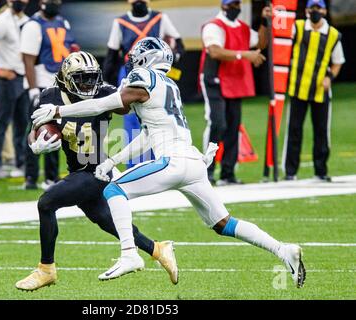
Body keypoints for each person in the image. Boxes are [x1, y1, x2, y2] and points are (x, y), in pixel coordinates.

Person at [32, 37, 306, 288]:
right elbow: (147, 136)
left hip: (172, 162)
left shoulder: (143, 77)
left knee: (113, 190)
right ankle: (282, 249)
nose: (133, 60)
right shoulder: (169, 85)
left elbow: (102, 104)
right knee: (223, 223)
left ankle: (130, 254)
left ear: (148, 59)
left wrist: (58, 110)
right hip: (194, 164)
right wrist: (113, 160)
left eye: (139, 55)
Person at [16, 51, 177, 291]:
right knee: (106, 221)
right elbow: (35, 128)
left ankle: (46, 269)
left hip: (98, 171)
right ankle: (157, 249)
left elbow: (126, 106)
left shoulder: (105, 92)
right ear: (66, 77)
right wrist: (36, 142)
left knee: (46, 203)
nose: (88, 84)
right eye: (82, 78)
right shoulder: (49, 96)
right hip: (79, 170)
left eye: (92, 78)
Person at [103, 0, 184, 168]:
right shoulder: (120, 22)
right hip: (130, 73)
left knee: (157, 116)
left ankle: (158, 161)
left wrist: (171, 60)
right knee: (132, 120)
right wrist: (106, 81)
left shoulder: (160, 18)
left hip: (155, 73)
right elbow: (112, 54)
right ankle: (134, 166)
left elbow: (179, 44)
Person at [200, 0, 270, 185]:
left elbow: (261, 43)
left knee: (233, 126)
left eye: (237, 4)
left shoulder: (243, 28)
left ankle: (228, 172)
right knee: (218, 123)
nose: (235, 8)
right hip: (214, 78)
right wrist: (245, 54)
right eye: (232, 4)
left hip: (234, 80)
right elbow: (215, 51)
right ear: (223, 6)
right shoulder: (213, 26)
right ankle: (207, 169)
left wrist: (264, 21)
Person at [283, 0, 345, 182]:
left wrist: (330, 78)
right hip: (297, 88)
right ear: (306, 10)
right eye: (312, 8)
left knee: (321, 131)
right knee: (294, 130)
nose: (315, 11)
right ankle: (290, 172)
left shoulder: (333, 35)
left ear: (325, 10)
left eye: (318, 8)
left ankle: (321, 171)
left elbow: (338, 62)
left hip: (320, 90)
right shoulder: (298, 27)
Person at [20, 0, 79, 190]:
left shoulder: (63, 22)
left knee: (57, 130)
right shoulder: (32, 25)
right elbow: (28, 60)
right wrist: (32, 88)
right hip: (41, 84)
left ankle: (51, 177)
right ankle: (31, 176)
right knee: (36, 129)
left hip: (59, 84)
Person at [0, 0, 30, 178]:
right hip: (7, 78)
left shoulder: (25, 21)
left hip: (22, 77)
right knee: (1, 123)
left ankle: (20, 162)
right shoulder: (2, 21)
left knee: (22, 123)